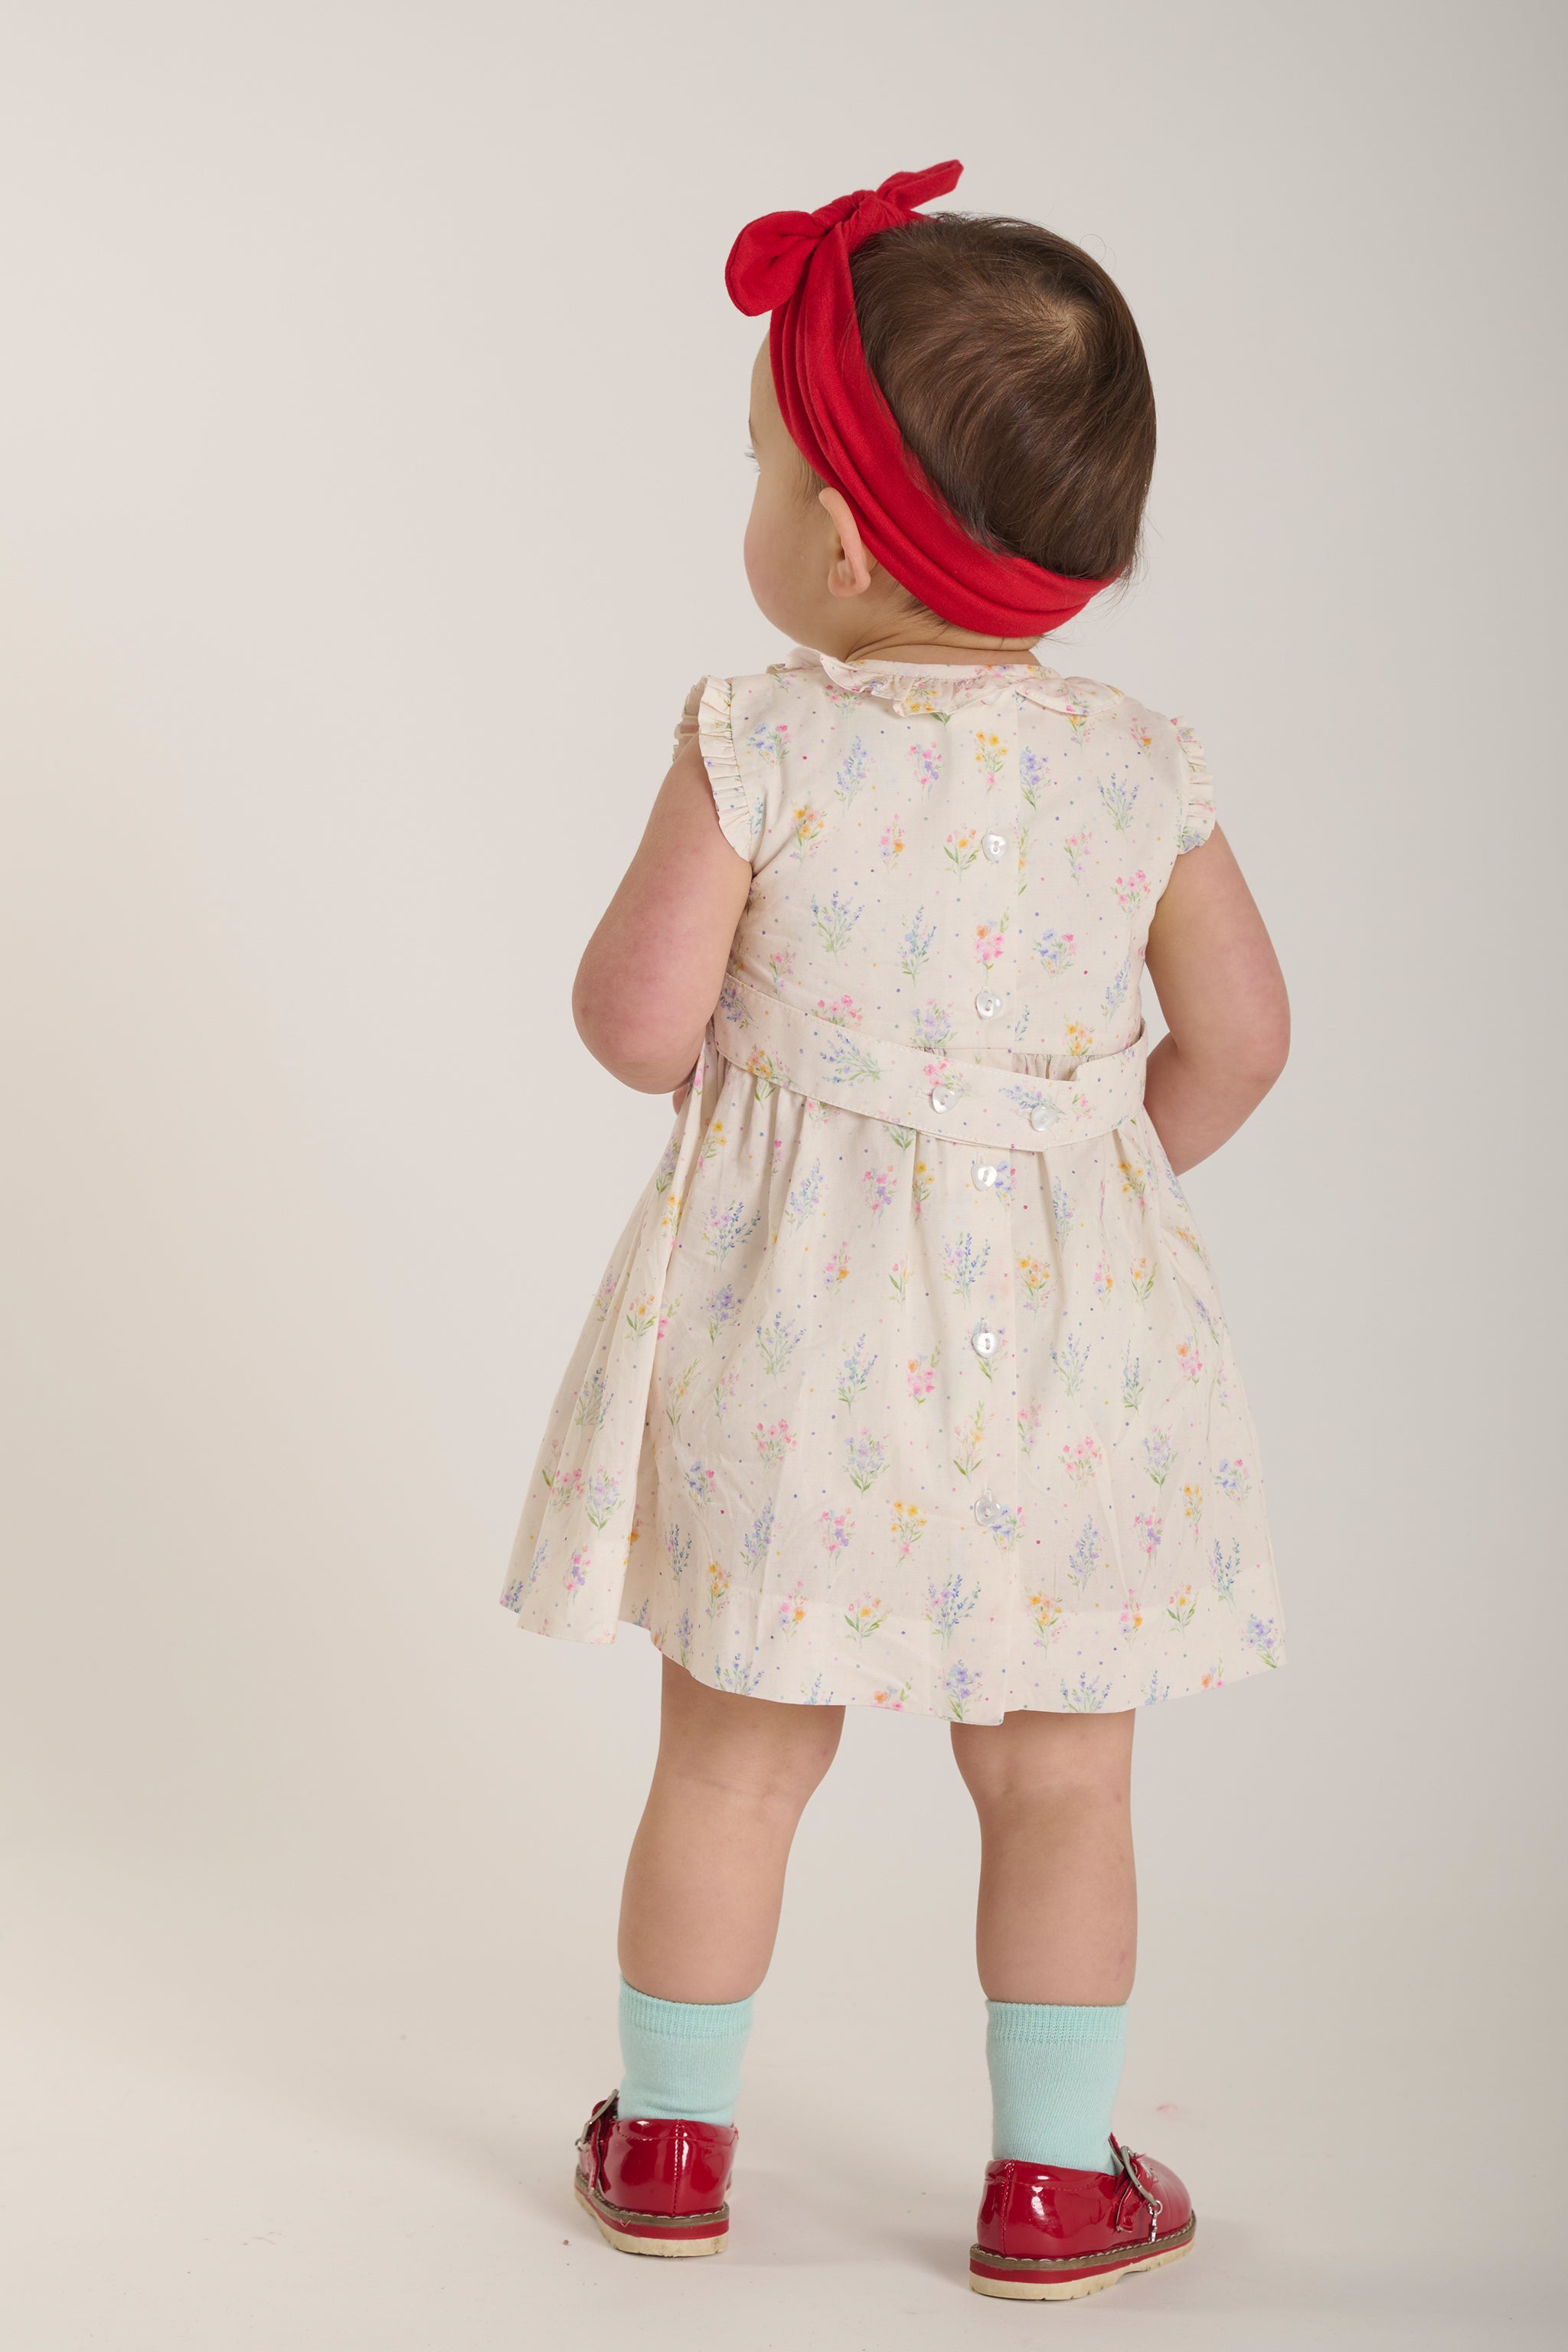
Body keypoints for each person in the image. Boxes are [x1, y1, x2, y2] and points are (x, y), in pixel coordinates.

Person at [501, 161, 1289, 2301]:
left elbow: (633, 1025)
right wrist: (1089, 1182)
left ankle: (673, 2144)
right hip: (1070, 1366)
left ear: (838, 540)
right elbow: (1243, 1041)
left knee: (732, 1766)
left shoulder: (757, 740)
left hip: (799, 1352)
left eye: (762, 463)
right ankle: (1052, 2184)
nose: (753, 502)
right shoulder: (1143, 768)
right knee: (1063, 1791)